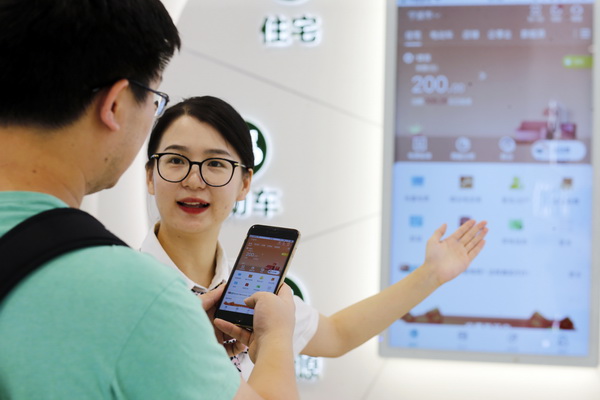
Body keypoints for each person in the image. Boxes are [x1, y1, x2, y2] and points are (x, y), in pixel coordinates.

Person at [0, 1, 300, 399]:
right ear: (116, 104)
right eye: (154, 99)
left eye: (215, 164)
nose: (194, 180)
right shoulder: (138, 294)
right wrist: (276, 338)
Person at [142, 95, 489, 377]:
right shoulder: (126, 287)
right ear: (149, 176)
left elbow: (337, 335)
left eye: (216, 164)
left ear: (245, 183)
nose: (194, 180)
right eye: (176, 160)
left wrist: (431, 275)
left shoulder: (252, 287)